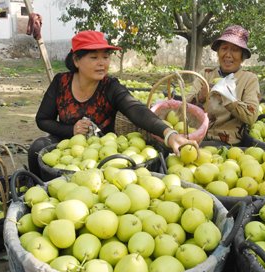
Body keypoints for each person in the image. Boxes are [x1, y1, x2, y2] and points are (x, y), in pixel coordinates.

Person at [28, 30, 197, 177]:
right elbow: (42, 119)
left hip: (104, 151)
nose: (102, 63)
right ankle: (36, 189)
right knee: (37, 148)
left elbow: (135, 109)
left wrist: (169, 134)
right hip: (66, 148)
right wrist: (70, 130)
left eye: (106, 57)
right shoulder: (61, 82)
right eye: (94, 57)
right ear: (76, 60)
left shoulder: (110, 86)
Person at [187, 25, 260, 145]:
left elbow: (251, 117)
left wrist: (228, 97)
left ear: (242, 56)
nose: (228, 54)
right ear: (218, 52)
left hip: (228, 144)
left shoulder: (249, 79)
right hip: (197, 136)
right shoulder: (206, 74)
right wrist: (200, 97)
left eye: (235, 50)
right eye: (224, 48)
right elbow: (185, 107)